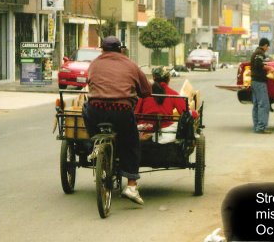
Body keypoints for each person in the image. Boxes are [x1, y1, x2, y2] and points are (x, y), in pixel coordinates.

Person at [82, 36, 151, 205]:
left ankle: (94, 145)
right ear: (120, 49)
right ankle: (132, 186)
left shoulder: (95, 64)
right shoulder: (130, 65)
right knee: (132, 142)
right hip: (121, 111)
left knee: (85, 108)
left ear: (102, 49)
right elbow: (146, 91)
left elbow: (89, 83)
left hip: (96, 109)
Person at [135, 66, 198, 144]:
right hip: (165, 129)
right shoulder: (173, 94)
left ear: (154, 78)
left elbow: (136, 112)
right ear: (168, 79)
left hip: (144, 130)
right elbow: (185, 113)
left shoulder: (145, 93)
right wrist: (195, 113)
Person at [250, 37, 274, 134]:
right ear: (265, 45)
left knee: (256, 105)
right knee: (264, 105)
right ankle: (261, 127)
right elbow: (258, 64)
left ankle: (257, 126)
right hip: (259, 82)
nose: (267, 48)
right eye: (267, 46)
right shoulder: (259, 53)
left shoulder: (256, 52)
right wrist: (269, 67)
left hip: (254, 82)